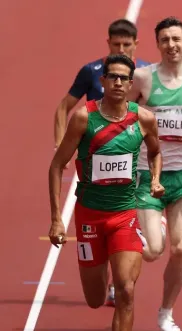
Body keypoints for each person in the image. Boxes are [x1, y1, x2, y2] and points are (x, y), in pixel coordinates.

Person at [48, 54, 164, 331]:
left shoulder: (144, 119)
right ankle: (104, 262)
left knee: (125, 291)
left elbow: (155, 152)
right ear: (102, 81)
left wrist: (155, 178)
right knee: (95, 299)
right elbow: (57, 165)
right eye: (111, 76)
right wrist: (57, 219)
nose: (117, 82)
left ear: (131, 82)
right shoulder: (85, 118)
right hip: (89, 218)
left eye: (123, 77)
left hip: (124, 214)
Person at [127, 16, 182, 331]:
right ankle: (154, 227)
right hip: (148, 173)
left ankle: (166, 312)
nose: (171, 45)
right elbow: (122, 118)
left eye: (176, 39)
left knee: (180, 248)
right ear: (157, 44)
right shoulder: (142, 78)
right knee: (152, 251)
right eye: (164, 40)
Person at [53, 18, 151, 306]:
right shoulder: (91, 72)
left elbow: (154, 118)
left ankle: (135, 236)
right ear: (108, 43)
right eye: (116, 43)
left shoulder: (146, 74)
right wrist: (61, 145)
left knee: (125, 225)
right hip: (94, 156)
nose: (121, 47)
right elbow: (63, 108)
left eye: (126, 44)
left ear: (136, 45)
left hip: (132, 153)